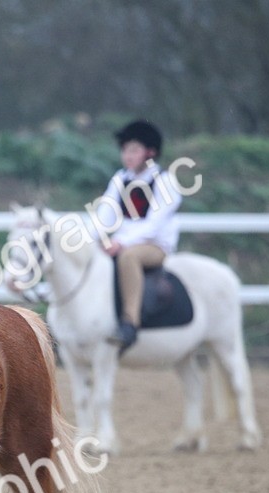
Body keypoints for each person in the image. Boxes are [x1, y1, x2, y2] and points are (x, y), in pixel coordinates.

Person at [101, 119, 182, 354]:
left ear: (150, 152)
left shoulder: (165, 182)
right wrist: (95, 239)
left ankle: (130, 323)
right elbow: (103, 215)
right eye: (125, 150)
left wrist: (121, 242)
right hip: (121, 243)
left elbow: (154, 225)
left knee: (128, 258)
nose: (127, 156)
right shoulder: (120, 179)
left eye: (134, 150)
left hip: (154, 246)